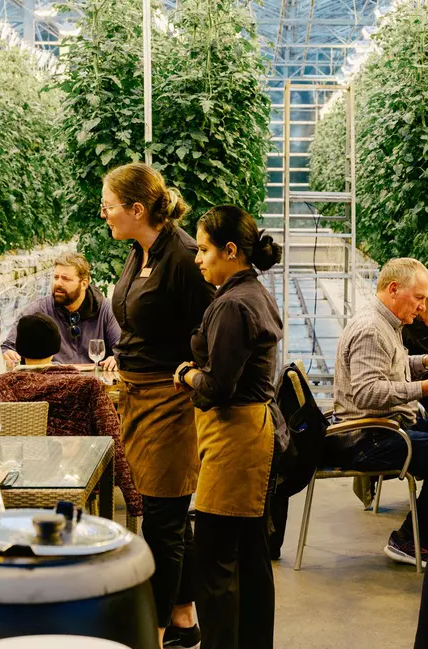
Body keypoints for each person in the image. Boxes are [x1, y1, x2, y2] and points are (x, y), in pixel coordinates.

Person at [100, 162, 214, 648]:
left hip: (169, 401)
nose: (103, 213)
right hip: (137, 397)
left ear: (137, 209)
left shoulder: (184, 257)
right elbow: (134, 320)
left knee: (162, 519)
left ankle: (156, 631)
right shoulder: (140, 250)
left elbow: (208, 329)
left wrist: (187, 377)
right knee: (164, 512)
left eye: (109, 205)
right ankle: (185, 621)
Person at [172, 205, 283, 649]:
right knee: (250, 557)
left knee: (215, 561)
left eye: (203, 249)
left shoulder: (234, 304)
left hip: (235, 438)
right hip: (251, 433)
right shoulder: (253, 292)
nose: (197, 259)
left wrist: (185, 375)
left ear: (230, 251)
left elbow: (218, 385)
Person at [329, 257, 428, 566]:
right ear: (394, 289)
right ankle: (411, 539)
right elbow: (367, 392)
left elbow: (390, 367)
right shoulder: (371, 328)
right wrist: (427, 388)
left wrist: (425, 361)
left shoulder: (385, 322)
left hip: (386, 427)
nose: (423, 307)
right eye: (420, 298)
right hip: (367, 438)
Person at [0, 314, 143, 522]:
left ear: (19, 348)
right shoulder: (85, 386)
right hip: (73, 478)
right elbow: (113, 441)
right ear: (56, 347)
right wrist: (133, 500)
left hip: (8, 480)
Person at [0, 251, 121, 369]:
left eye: (66, 279)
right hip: (54, 383)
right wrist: (8, 354)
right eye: (56, 277)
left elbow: (122, 349)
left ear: (84, 284)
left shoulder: (106, 310)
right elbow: (7, 347)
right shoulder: (39, 310)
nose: (58, 283)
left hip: (96, 383)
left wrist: (116, 358)